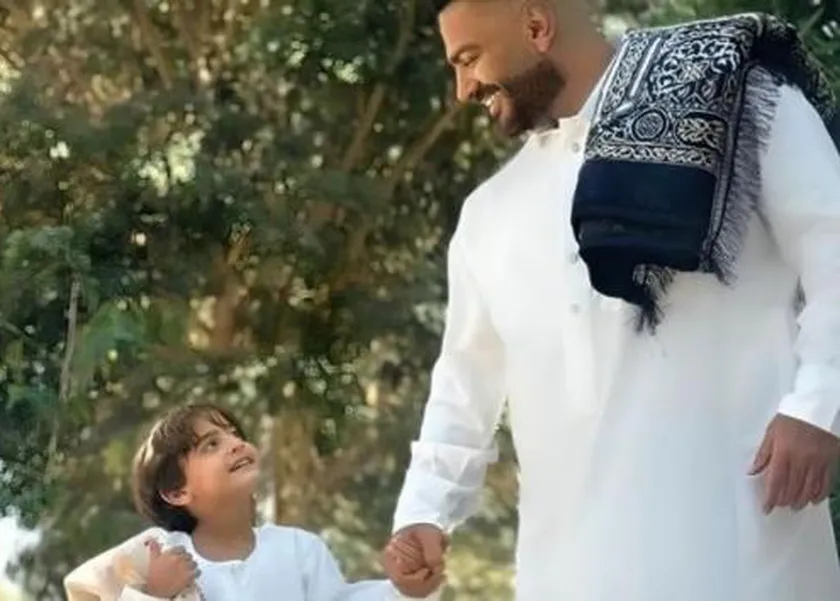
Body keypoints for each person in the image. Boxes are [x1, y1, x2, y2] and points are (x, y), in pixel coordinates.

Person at [381, 1, 840, 600]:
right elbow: (464, 382)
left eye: (469, 58)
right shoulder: (489, 216)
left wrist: (819, 405)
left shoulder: (735, 100)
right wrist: (425, 512)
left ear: (536, 26)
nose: (463, 88)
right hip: (568, 574)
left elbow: (832, 239)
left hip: (740, 554)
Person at [64, 403, 439, 601]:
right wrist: (157, 595)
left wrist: (405, 590)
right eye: (211, 444)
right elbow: (85, 590)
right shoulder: (155, 555)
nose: (235, 444)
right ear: (177, 492)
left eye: (233, 435)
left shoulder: (300, 550)